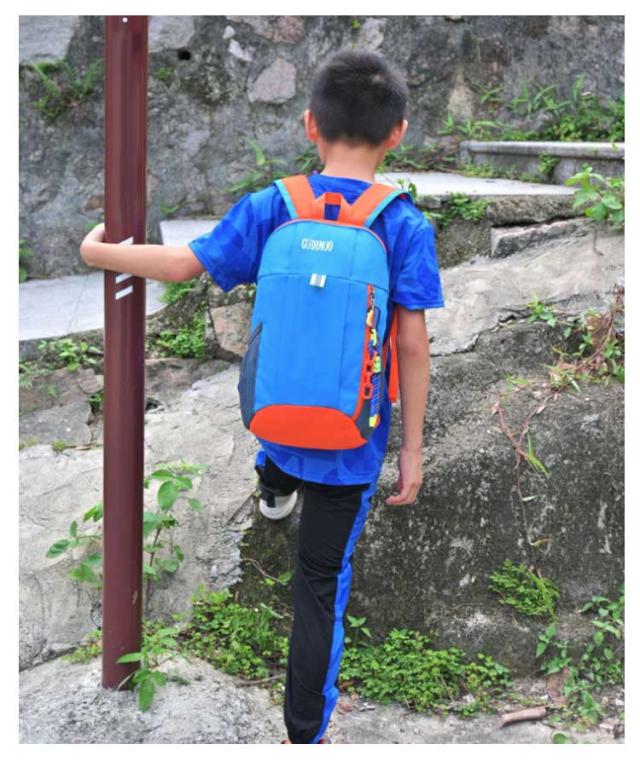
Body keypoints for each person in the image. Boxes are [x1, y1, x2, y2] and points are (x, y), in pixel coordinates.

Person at [80, 48, 445, 744]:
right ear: (397, 134)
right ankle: (304, 737)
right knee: (318, 585)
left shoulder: (275, 205)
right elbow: (412, 344)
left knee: (276, 423)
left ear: (310, 124)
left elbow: (182, 265)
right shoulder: (403, 225)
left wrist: (100, 254)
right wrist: (412, 449)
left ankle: (274, 483)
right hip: (352, 442)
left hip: (275, 418)